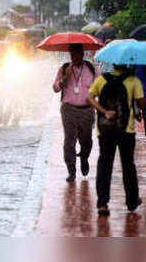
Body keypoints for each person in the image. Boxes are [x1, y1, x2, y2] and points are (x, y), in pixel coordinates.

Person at [88, 64, 145, 216]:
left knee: (105, 164)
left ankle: (102, 204)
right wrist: (136, 105)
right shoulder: (133, 81)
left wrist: (103, 111)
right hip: (126, 130)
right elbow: (141, 103)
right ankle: (132, 201)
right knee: (128, 165)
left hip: (104, 129)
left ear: (113, 64)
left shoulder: (101, 80)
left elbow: (89, 97)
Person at [53, 43, 99, 182]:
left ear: (82, 54)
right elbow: (55, 88)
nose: (74, 57)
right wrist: (63, 79)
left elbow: (100, 86)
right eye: (71, 55)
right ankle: (71, 170)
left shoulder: (92, 68)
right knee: (69, 141)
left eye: (76, 54)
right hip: (68, 109)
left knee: (86, 140)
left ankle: (84, 157)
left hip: (87, 110)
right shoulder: (64, 68)